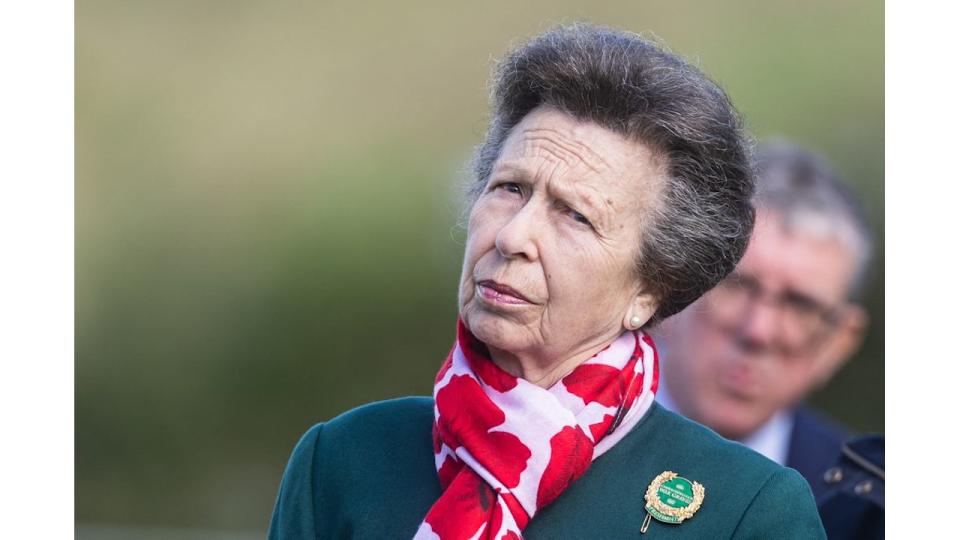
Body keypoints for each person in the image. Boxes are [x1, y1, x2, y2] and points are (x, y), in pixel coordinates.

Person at [268, 25, 825, 539]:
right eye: (509, 187)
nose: (514, 236)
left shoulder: (748, 508)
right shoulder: (344, 459)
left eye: (575, 215)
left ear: (651, 288)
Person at [654, 139, 874, 501]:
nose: (758, 330)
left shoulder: (862, 507)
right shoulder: (554, 431)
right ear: (670, 285)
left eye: (800, 306)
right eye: (736, 285)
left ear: (838, 344)